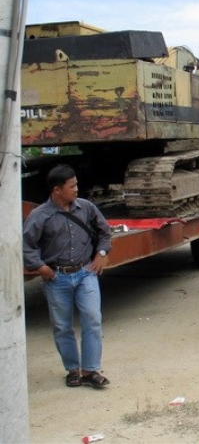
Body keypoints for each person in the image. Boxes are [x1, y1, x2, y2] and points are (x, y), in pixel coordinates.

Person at [23, 164, 112, 388]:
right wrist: (40, 267)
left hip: (86, 273)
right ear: (56, 190)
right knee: (62, 325)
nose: (76, 190)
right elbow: (27, 246)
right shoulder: (39, 216)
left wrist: (102, 253)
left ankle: (90, 370)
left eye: (76, 185)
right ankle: (72, 370)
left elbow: (104, 231)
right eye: (72, 186)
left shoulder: (86, 208)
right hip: (56, 278)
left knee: (92, 318)